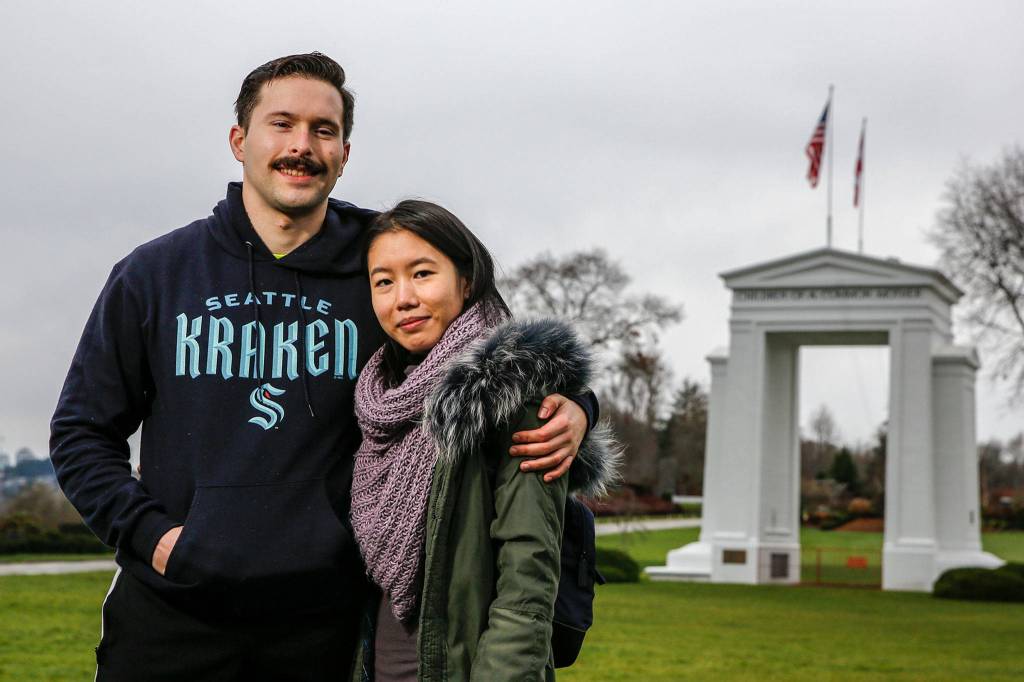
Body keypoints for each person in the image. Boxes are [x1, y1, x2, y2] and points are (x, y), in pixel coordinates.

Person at [49, 52, 598, 681]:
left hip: (325, 628)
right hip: (172, 617)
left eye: (323, 130)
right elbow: (80, 433)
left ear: (344, 152)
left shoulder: (384, 263)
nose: (301, 146)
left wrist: (579, 407)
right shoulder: (155, 274)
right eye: (281, 124)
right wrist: (154, 537)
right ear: (239, 140)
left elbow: (495, 349)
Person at [350, 201, 619, 681]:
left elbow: (527, 583)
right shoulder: (377, 403)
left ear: (466, 280)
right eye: (384, 282)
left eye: (422, 273)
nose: (403, 298)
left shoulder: (514, 404)